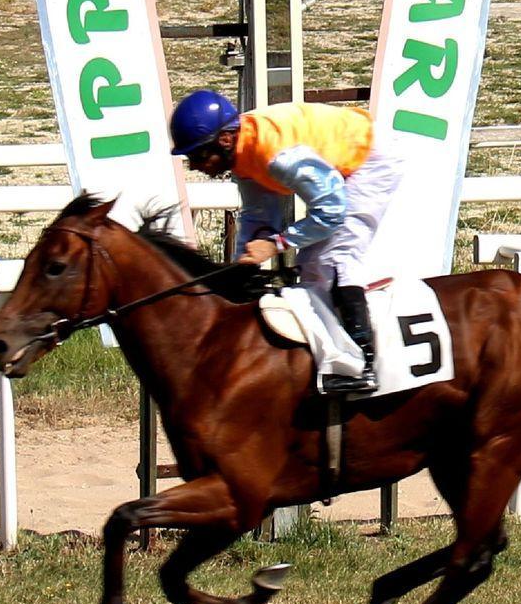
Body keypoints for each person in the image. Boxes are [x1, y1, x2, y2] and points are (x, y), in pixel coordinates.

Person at [169, 90, 403, 395]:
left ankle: (363, 364)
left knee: (334, 259)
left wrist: (276, 244)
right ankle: (326, 358)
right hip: (343, 162)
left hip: (370, 160)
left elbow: (332, 212)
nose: (195, 166)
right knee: (309, 266)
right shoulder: (243, 157)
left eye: (198, 156)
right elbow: (258, 216)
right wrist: (243, 264)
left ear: (224, 140)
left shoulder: (277, 155)